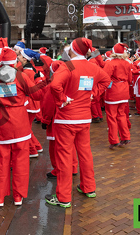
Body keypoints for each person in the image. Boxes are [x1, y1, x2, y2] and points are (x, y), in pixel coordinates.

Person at [45, 38, 110, 208]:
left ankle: (63, 197)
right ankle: (89, 187)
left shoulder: (69, 66)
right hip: (84, 117)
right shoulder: (92, 66)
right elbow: (106, 80)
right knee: (85, 153)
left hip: (66, 118)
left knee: (65, 157)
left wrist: (63, 99)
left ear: (73, 50)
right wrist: (93, 94)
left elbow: (55, 85)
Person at [0, 48, 46, 207]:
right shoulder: (21, 76)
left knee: (2, 163)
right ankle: (18, 197)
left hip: (1, 124)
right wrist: (39, 81)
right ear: (14, 62)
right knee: (21, 162)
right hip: (20, 124)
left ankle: (0, 198)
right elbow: (37, 95)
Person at [103, 43, 132, 148]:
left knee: (111, 117)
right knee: (122, 115)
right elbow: (130, 79)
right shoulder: (127, 63)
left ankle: (114, 139)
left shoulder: (110, 63)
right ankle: (125, 136)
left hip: (113, 92)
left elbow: (105, 78)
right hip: (124, 90)